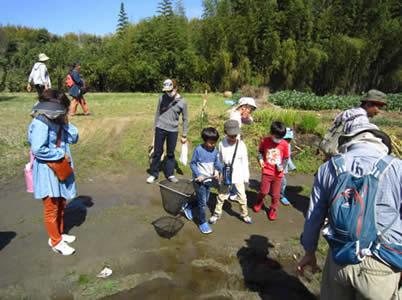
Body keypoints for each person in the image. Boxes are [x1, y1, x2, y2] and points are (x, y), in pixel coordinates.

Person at [297, 128, 402, 300]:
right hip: (382, 263)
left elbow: (314, 216)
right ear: (383, 145)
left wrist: (309, 251)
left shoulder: (328, 168)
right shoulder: (397, 168)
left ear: (349, 142)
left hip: (339, 258)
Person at [28, 89, 79, 256]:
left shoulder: (57, 120)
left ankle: (60, 233)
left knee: (61, 203)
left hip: (60, 168)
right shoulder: (41, 123)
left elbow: (74, 138)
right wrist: (59, 154)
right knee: (51, 207)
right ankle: (55, 241)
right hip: (47, 170)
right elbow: (38, 149)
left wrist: (66, 122)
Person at [319, 89, 387, 156]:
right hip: (340, 157)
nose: (379, 112)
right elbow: (360, 140)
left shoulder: (348, 112)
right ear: (368, 104)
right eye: (378, 108)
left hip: (330, 149)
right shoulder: (360, 119)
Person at [209, 120, 252, 225]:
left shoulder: (241, 145)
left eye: (235, 135)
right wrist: (217, 171)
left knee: (242, 196)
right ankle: (216, 213)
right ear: (226, 133)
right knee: (221, 195)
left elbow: (245, 161)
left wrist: (246, 177)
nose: (233, 138)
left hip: (238, 175)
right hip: (225, 174)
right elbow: (218, 159)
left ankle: (244, 214)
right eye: (231, 135)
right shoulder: (221, 144)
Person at [147, 79, 188, 184]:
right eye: (166, 91)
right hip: (160, 128)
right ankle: (153, 173)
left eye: (170, 90)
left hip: (173, 131)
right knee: (157, 152)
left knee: (170, 154)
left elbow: (185, 119)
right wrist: (155, 128)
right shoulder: (161, 98)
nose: (168, 93)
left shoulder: (182, 102)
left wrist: (184, 134)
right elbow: (157, 113)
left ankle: (170, 174)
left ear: (175, 88)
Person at [183, 127, 222, 234]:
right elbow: (192, 164)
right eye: (211, 143)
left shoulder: (214, 151)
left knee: (205, 199)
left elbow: (217, 163)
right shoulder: (199, 150)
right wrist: (198, 174)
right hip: (199, 181)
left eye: (215, 142)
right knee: (203, 203)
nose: (213, 145)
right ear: (204, 140)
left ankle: (189, 208)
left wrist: (219, 170)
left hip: (209, 180)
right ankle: (202, 222)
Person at [253, 121, 289, 221]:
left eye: (280, 138)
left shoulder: (285, 144)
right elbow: (260, 152)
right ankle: (259, 201)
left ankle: (273, 209)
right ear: (271, 133)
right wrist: (260, 160)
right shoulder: (265, 141)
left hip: (278, 174)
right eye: (276, 137)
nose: (278, 140)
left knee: (275, 194)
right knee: (264, 191)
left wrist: (282, 166)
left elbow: (286, 158)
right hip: (267, 172)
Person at [280, 128, 296, 206]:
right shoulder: (279, 145)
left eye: (289, 139)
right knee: (283, 182)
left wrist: (292, 166)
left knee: (280, 181)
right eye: (286, 139)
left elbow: (288, 157)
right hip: (278, 167)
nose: (287, 141)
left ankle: (276, 191)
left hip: (284, 167)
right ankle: (281, 196)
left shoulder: (288, 146)